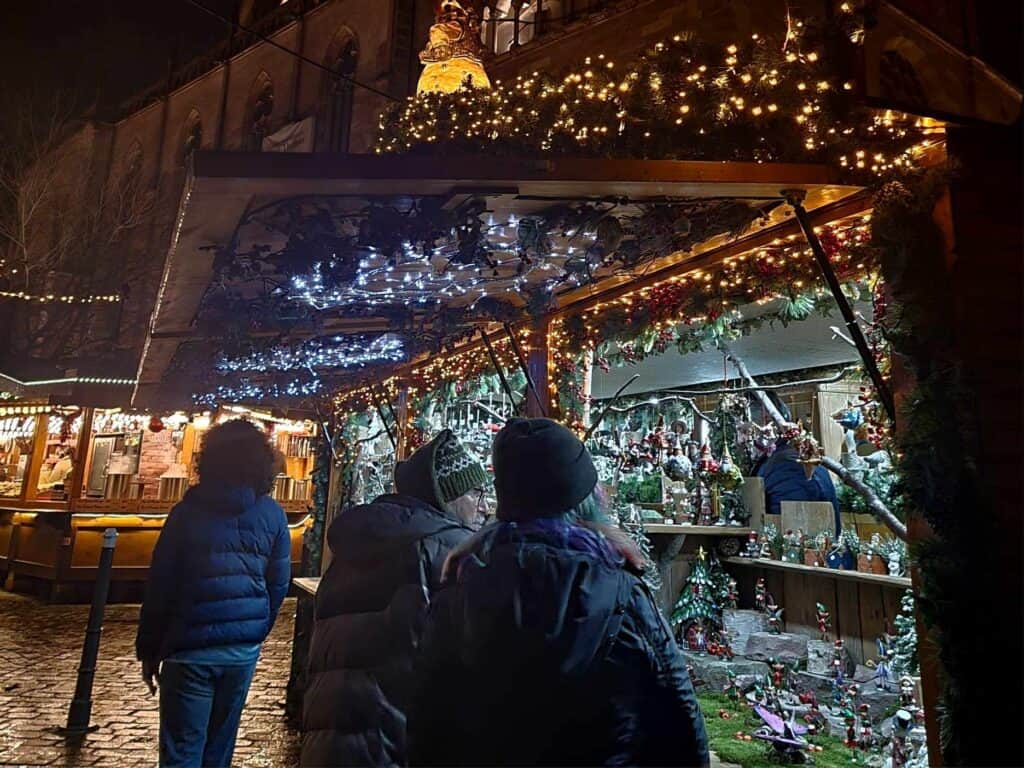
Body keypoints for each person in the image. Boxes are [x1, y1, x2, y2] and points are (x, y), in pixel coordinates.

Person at [408, 417, 710, 767]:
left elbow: (426, 726)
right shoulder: (622, 593)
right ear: (584, 499)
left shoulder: (457, 589)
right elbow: (680, 720)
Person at [301, 428, 488, 767]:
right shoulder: (445, 549)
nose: (485, 507)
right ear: (446, 496)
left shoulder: (354, 544)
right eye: (476, 493)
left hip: (331, 730)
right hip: (394, 739)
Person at [136, 418, 292, 768]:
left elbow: (161, 585)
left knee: (182, 751)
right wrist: (253, 629)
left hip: (188, 649)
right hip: (240, 653)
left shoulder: (186, 513)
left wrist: (149, 648)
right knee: (219, 749)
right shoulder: (273, 515)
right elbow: (278, 583)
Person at [754, 393, 842, 534]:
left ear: (766, 421)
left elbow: (797, 532)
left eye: (743, 430)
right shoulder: (784, 458)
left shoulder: (787, 466)